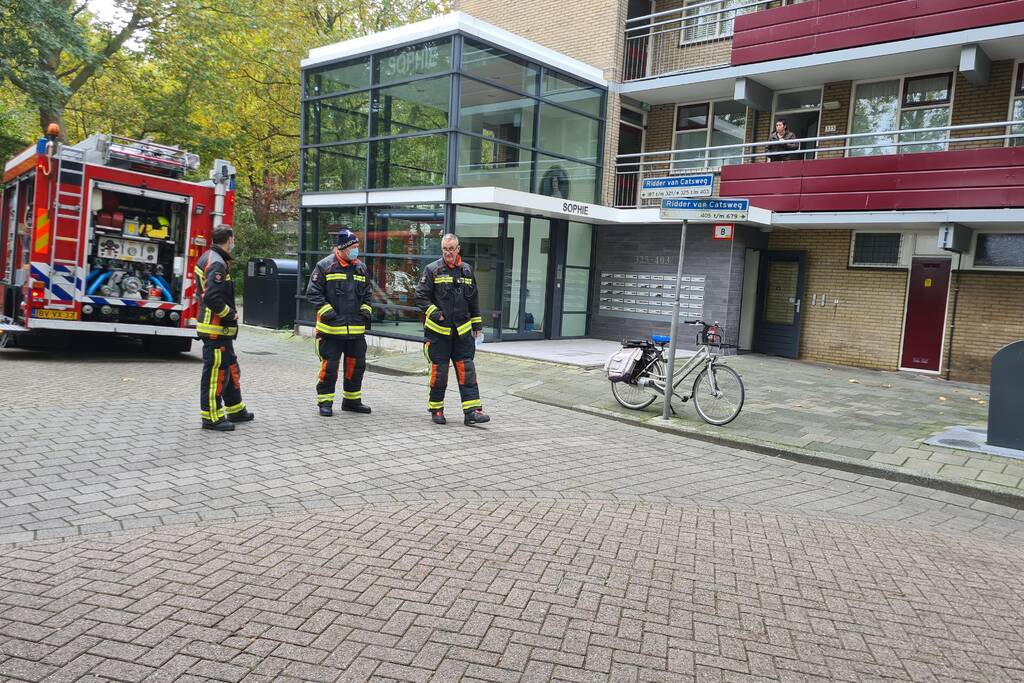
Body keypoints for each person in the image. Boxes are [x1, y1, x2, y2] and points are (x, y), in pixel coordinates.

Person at [415, 233, 489, 426]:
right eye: (445, 249)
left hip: (462, 333)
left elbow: (473, 299)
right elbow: (421, 297)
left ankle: (472, 412)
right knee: (439, 373)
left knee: (468, 371)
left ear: (458, 249)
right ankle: (436, 409)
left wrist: (477, 326)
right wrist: (435, 313)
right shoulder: (432, 270)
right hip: (438, 333)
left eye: (451, 249)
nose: (448, 253)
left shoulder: (467, 270)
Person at [305, 228, 373, 417]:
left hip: (356, 331)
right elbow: (313, 293)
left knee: (356, 367)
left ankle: (352, 401)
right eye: (353, 246)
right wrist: (329, 313)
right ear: (343, 247)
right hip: (331, 331)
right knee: (330, 368)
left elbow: (368, 294)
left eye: (357, 246)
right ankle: (325, 402)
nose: (356, 250)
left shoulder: (361, 267)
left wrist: (365, 311)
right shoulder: (325, 266)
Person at [196, 226, 253, 431]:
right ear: (229, 239)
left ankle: (236, 410)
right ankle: (212, 418)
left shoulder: (212, 258)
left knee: (230, 369)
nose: (234, 242)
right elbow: (212, 297)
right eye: (233, 239)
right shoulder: (217, 263)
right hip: (215, 329)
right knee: (215, 375)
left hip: (220, 331)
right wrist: (230, 314)